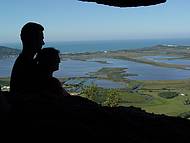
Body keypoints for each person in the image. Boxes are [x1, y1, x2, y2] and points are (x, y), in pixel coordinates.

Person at [10, 22, 45, 95]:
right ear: (32, 40)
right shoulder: (26, 64)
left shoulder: (23, 60)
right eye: (41, 39)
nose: (43, 43)